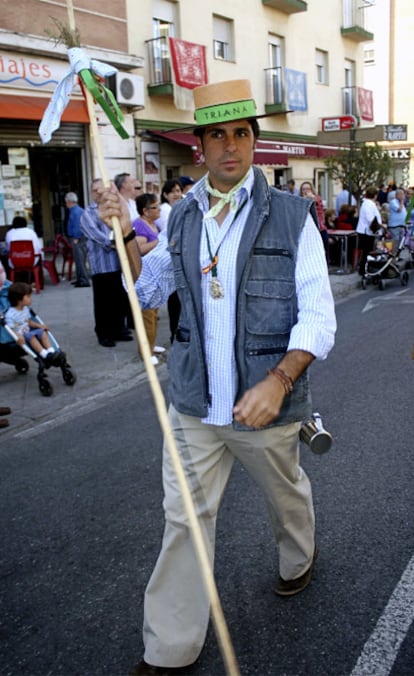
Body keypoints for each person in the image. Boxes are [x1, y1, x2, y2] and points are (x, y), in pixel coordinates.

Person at [99, 78, 336, 676]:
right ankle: (171, 648)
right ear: (200, 145)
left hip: (266, 406)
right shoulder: (180, 219)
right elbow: (146, 289)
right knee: (183, 521)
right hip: (193, 405)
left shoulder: (293, 216)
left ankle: (298, 556)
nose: (231, 146)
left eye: (241, 133)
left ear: (254, 140)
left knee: (286, 497)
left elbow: (319, 317)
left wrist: (279, 380)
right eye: (216, 135)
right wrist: (124, 229)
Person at [80, 179, 133, 348]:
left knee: (119, 299)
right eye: (95, 190)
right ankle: (104, 333)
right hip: (101, 265)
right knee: (103, 303)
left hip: (118, 263)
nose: (98, 193)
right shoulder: (88, 213)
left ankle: (119, 329)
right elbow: (96, 236)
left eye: (101, 190)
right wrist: (117, 241)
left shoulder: (115, 208)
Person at [132, 193, 164, 365]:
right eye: (155, 207)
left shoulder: (153, 224)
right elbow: (141, 249)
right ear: (145, 211)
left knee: (154, 313)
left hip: (155, 274)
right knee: (147, 315)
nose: (159, 209)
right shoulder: (139, 225)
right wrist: (160, 241)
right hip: (144, 276)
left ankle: (151, 345)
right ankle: (145, 351)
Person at [155, 179, 184, 342]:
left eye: (179, 190)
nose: (177, 194)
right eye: (172, 191)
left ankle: (178, 331)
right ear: (165, 195)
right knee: (175, 300)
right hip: (170, 259)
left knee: (180, 300)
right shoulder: (165, 210)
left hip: (179, 258)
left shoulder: (177, 208)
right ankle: (175, 333)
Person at [5, 282, 58, 364]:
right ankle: (44, 354)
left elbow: (29, 321)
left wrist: (39, 326)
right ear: (19, 299)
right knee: (32, 337)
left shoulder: (25, 309)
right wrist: (18, 336)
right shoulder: (10, 314)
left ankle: (51, 351)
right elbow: (10, 329)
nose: (31, 299)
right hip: (22, 335)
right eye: (28, 297)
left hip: (28, 332)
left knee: (43, 333)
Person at [356, 185, 383, 277]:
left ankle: (366, 268)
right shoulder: (368, 204)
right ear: (375, 195)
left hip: (368, 231)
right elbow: (370, 218)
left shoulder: (368, 203)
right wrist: (380, 225)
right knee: (367, 251)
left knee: (367, 251)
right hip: (366, 231)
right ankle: (363, 269)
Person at [65, 192, 90, 287]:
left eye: (66, 201)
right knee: (78, 259)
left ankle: (83, 280)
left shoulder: (76, 211)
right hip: (77, 237)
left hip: (78, 238)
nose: (66, 203)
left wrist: (76, 237)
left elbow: (78, 225)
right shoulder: (76, 210)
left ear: (70, 201)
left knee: (80, 259)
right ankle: (80, 278)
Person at [299, 181, 329, 261]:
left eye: (308, 189)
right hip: (305, 231)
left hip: (320, 228)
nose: (306, 191)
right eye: (304, 189)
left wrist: (311, 198)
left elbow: (318, 205)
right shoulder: (299, 201)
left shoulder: (317, 199)